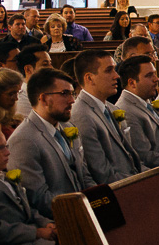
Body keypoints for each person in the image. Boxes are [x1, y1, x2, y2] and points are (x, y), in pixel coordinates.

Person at [6, 67, 95, 200]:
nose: (72, 100)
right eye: (65, 93)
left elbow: (84, 174)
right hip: (60, 215)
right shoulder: (23, 140)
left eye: (72, 93)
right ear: (44, 99)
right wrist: (82, 211)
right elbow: (38, 197)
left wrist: (99, 199)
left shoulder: (67, 126)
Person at [68, 49, 142, 184]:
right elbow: (101, 173)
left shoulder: (111, 108)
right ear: (89, 78)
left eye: (114, 69)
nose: (117, 76)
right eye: (109, 70)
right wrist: (140, 184)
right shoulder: (82, 116)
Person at [115, 54, 159, 168]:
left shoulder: (145, 101)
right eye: (149, 75)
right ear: (132, 82)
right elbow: (144, 155)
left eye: (155, 74)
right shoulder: (126, 111)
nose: (156, 79)